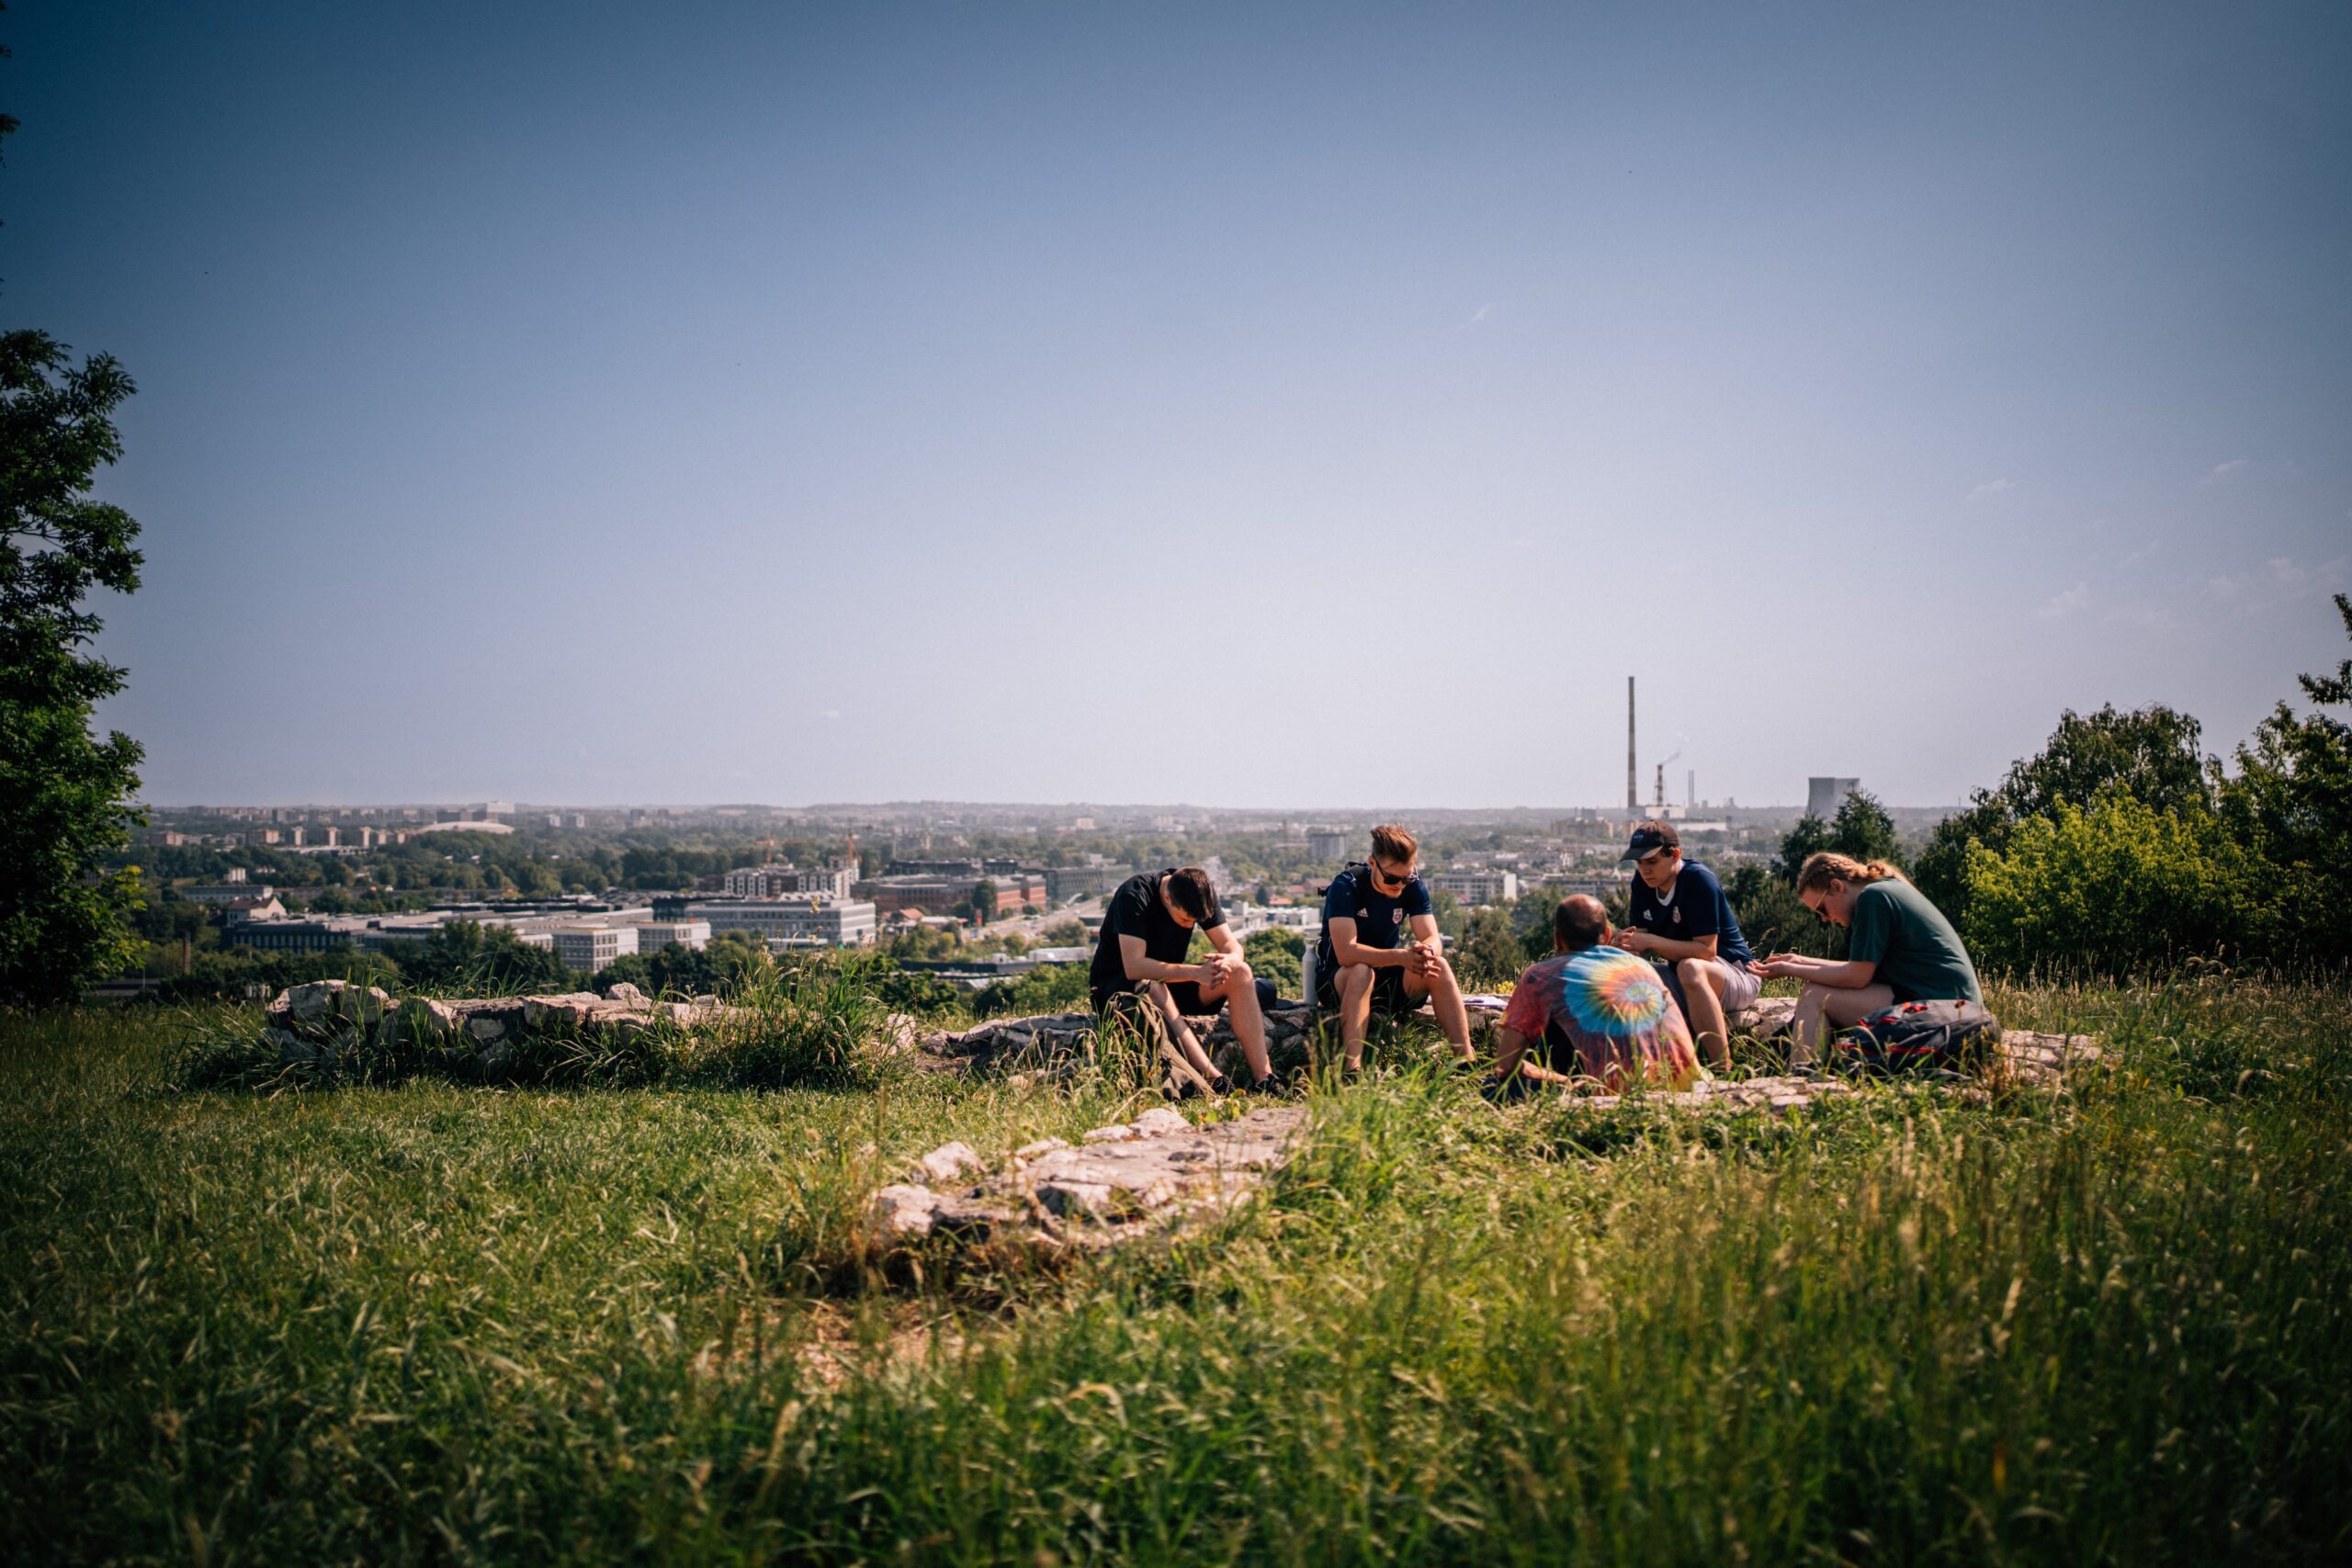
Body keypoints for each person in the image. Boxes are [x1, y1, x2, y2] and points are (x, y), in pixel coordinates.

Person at [1748, 852, 1984, 1066]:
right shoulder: (1884, 888)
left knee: (1814, 995)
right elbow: (1860, 969)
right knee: (1816, 992)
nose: (1824, 919)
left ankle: (1802, 1079)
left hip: (1939, 1008)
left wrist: (1793, 970)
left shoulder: (1872, 899)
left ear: (1837, 886)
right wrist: (1799, 961)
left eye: (1822, 909)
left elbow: (1857, 977)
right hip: (1952, 1004)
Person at [1088, 866, 1281, 1095]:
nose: (1190, 926)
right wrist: (1195, 973)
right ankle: (1213, 1079)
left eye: (1194, 922)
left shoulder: (1200, 893)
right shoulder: (1135, 894)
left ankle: (1265, 1079)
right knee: (1154, 985)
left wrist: (1230, 961)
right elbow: (1134, 967)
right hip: (1120, 992)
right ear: (1167, 898)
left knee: (1242, 972)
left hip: (1172, 983)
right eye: (1185, 919)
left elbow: (1231, 945)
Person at [1490, 894, 1705, 1094]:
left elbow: (1505, 1065)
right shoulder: (1641, 967)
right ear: (1608, 935)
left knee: (1494, 1086)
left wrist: (1561, 1081)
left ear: (1557, 939)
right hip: (1681, 1089)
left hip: (1610, 1095)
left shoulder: (1541, 976)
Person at [1313, 824, 1475, 1073]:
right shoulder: (1346, 886)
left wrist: (1426, 951)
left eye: (1406, 878)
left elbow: (1433, 937)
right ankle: (1351, 1070)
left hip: (1390, 978)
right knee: (1361, 971)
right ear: (1373, 863)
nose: (1399, 886)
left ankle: (1466, 1062)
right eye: (1391, 879)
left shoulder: (1412, 885)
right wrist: (1400, 957)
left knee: (1438, 965)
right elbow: (1346, 953)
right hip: (1341, 979)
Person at [1609, 818, 1757, 1069]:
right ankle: (1640, 1067)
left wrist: (1650, 941)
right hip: (1685, 976)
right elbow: (1640, 946)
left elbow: (1706, 951)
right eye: (1640, 862)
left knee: (1690, 967)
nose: (1645, 869)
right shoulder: (1643, 884)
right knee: (1619, 975)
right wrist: (1620, 946)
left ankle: (1723, 1068)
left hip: (1734, 973)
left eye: (1652, 861)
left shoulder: (1698, 880)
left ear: (1675, 854)